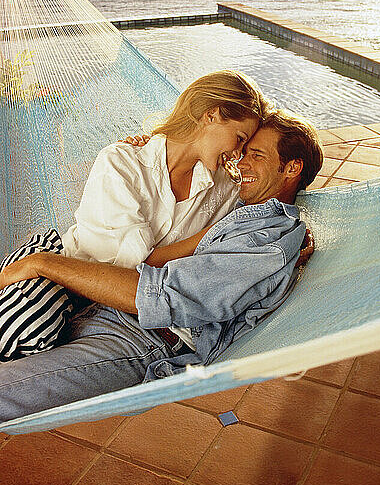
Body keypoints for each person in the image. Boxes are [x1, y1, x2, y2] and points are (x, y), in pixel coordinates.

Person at [0, 109, 323, 423]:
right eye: (243, 151)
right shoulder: (238, 203)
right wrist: (155, 150)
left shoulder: (266, 240)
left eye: (257, 155)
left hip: (143, 338)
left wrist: (44, 264)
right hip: (101, 308)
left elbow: (163, 298)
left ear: (292, 167)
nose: (241, 161)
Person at [0, 70, 270, 361]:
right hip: (58, 280)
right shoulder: (121, 163)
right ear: (211, 115)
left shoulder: (224, 188)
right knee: (25, 329)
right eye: (239, 138)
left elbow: (255, 216)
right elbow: (132, 267)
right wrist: (207, 236)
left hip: (114, 310)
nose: (239, 153)